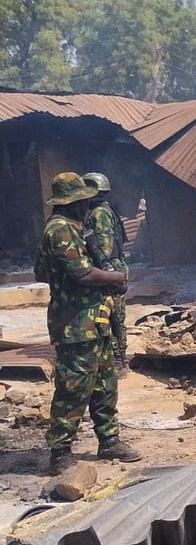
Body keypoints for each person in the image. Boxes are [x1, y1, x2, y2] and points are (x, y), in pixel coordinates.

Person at [34, 173, 141, 475]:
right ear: (73, 203)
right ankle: (60, 453)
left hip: (95, 319)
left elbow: (43, 271)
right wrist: (116, 278)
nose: (87, 205)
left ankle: (109, 441)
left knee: (104, 383)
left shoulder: (74, 227)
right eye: (83, 201)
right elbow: (82, 274)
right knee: (74, 388)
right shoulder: (60, 230)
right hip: (75, 324)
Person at [82, 172, 130, 374]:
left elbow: (104, 247)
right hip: (115, 266)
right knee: (115, 315)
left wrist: (105, 273)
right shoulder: (107, 209)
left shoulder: (98, 213)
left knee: (111, 317)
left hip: (109, 268)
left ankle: (118, 363)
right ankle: (119, 360)